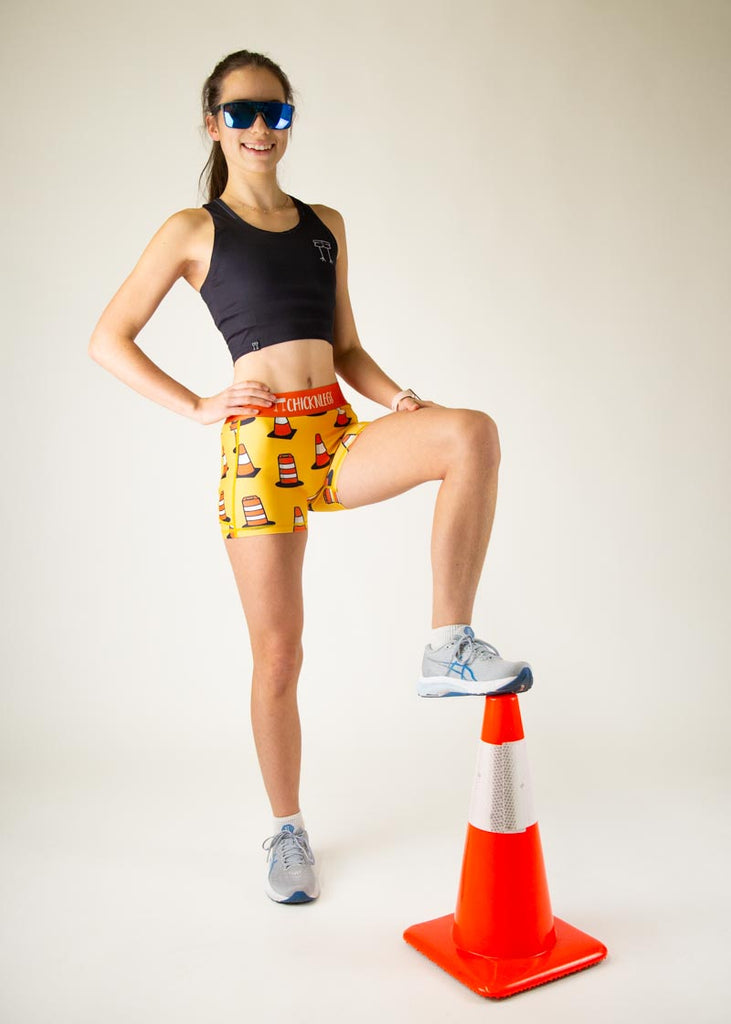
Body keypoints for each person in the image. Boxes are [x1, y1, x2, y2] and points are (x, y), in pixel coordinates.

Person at [88, 48, 533, 906]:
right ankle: (286, 831)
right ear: (214, 123)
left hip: (334, 430)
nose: (261, 129)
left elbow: (348, 347)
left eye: (277, 112)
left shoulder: (325, 222)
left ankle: (447, 643)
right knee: (280, 654)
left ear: (290, 121)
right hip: (258, 455)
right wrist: (196, 405)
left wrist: (397, 398)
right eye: (244, 112)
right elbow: (109, 338)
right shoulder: (192, 229)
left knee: (469, 435)